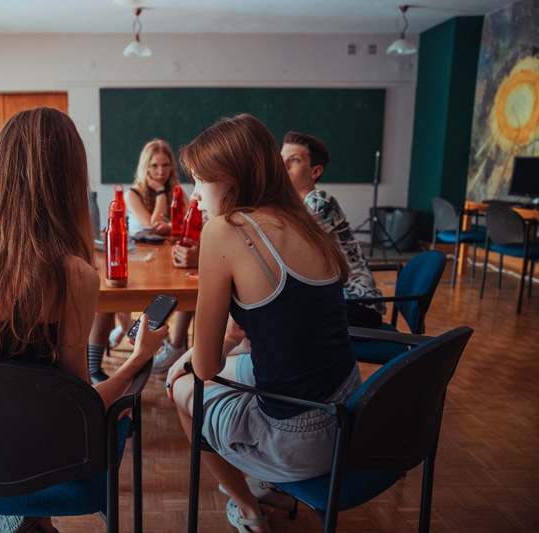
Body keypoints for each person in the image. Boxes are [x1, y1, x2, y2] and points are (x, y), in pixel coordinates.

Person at [0, 107, 167, 533]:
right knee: (112, 411)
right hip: (35, 461)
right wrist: (137, 360)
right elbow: (80, 408)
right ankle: (26, 516)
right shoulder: (70, 275)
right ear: (69, 179)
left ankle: (22, 520)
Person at [166, 114, 360, 533]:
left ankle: (249, 510)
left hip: (297, 439)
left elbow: (205, 368)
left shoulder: (223, 230)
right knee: (231, 366)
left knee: (179, 384)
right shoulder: (305, 221)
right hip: (347, 413)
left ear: (232, 181)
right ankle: (265, 484)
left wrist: (186, 361)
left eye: (200, 180)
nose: (194, 194)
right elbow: (263, 326)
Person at [87, 139, 194, 382]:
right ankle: (96, 363)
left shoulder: (178, 192)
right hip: (138, 260)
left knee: (187, 286)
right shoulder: (132, 194)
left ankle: (171, 345)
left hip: (165, 261)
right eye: (154, 166)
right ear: (145, 168)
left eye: (166, 165)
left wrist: (170, 226)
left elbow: (186, 226)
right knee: (109, 293)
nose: (161, 171)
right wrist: (160, 193)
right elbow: (151, 224)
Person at [280, 131, 386, 328]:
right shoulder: (293, 207)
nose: (283, 165)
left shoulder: (320, 202)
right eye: (281, 158)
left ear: (315, 172)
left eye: (294, 160)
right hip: (333, 299)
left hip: (358, 305)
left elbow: (283, 246)